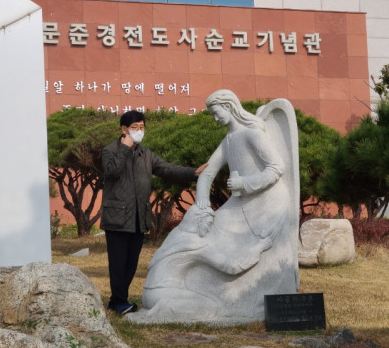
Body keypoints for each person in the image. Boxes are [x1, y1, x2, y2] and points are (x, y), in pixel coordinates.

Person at [128, 89, 299, 324]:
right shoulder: (229, 140)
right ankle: (216, 293)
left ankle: (254, 297)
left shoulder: (252, 134)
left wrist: (245, 184)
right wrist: (202, 207)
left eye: (217, 113)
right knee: (213, 228)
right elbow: (207, 173)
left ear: (229, 107)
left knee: (233, 238)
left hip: (267, 200)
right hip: (242, 200)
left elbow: (277, 168)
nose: (216, 119)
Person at [101, 109, 206, 315]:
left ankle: (119, 300)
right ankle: (118, 301)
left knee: (131, 263)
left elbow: (167, 168)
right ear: (124, 129)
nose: (139, 131)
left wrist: (193, 172)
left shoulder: (145, 154)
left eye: (142, 127)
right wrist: (125, 148)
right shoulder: (110, 150)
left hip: (138, 217)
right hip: (117, 217)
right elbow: (112, 170)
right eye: (135, 127)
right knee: (118, 262)